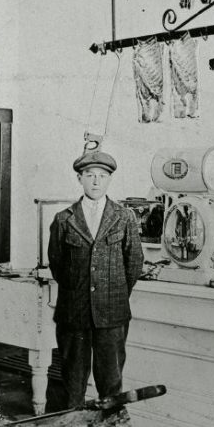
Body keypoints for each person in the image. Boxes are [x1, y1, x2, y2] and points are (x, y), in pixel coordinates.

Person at [47, 147, 144, 409]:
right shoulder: (64, 220)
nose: (96, 181)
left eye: (102, 176)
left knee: (111, 384)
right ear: (80, 178)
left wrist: (112, 294)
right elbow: (57, 266)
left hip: (112, 313)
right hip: (73, 313)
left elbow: (133, 264)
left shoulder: (124, 218)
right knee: (72, 382)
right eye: (90, 175)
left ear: (110, 179)